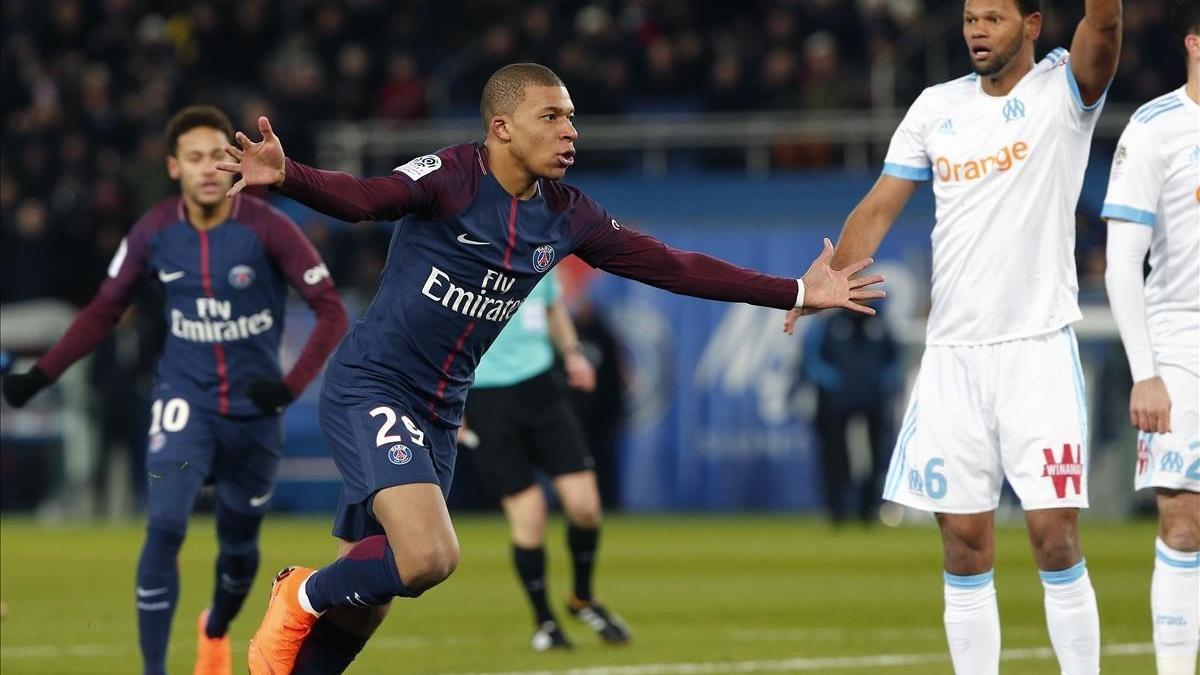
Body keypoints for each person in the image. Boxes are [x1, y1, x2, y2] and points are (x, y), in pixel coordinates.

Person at [216, 62, 885, 674]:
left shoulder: (569, 215)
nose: (571, 130)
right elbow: (365, 196)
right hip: (374, 386)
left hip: (440, 410)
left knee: (369, 599)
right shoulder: (452, 175)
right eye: (552, 117)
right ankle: (296, 590)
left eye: (570, 117)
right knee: (427, 557)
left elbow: (671, 265)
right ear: (501, 128)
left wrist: (796, 291)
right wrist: (290, 174)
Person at [783, 1, 1120, 673]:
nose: (975, 30)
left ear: (1033, 24)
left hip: (1036, 347)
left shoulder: (1063, 91)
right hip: (953, 355)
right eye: (969, 17)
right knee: (963, 540)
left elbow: (1105, 28)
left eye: (993, 17)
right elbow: (879, 207)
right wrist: (822, 281)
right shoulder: (935, 106)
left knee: (1054, 534)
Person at [0, 105, 349, 675]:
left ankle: (214, 628)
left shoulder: (269, 229)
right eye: (194, 158)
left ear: (232, 161)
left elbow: (331, 311)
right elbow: (103, 311)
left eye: (218, 155)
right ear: (173, 166)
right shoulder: (154, 231)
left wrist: (287, 389)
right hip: (184, 400)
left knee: (238, 553)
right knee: (164, 526)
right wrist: (41, 376)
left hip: (254, 414)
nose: (208, 167)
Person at [1101, 3, 1200, 672]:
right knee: (1183, 517)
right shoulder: (1155, 129)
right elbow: (1119, 262)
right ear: (1195, 42)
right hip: (1181, 345)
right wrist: (1145, 371)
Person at [461, 273, 629, 651]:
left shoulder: (539, 244)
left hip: (541, 389)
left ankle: (582, 598)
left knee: (585, 507)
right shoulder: (465, 249)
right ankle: (545, 621)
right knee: (530, 514)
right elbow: (438, 327)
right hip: (486, 396)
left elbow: (551, 307)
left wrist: (572, 354)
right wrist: (447, 397)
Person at [798, 309, 900, 524]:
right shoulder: (830, 323)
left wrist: (885, 382)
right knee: (835, 457)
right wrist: (833, 382)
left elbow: (895, 359)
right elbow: (811, 361)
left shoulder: (880, 322)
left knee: (876, 456)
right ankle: (836, 511)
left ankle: (869, 511)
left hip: (874, 403)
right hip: (835, 404)